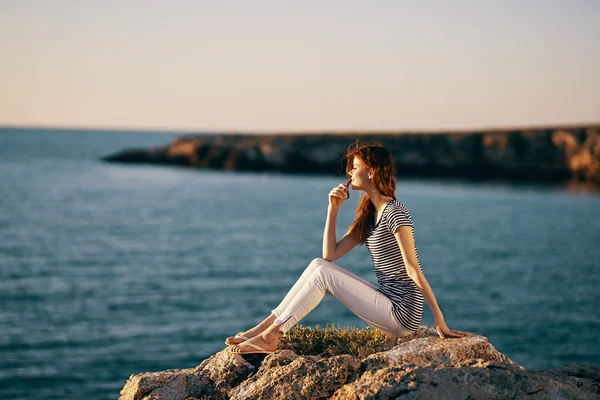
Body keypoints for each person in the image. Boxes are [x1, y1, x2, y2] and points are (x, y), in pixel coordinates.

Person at [227, 141, 466, 354]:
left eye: (355, 166)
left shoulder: (395, 213)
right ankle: (263, 328)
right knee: (317, 265)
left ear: (371, 172)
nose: (349, 172)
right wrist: (333, 209)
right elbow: (329, 254)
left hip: (402, 313)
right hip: (387, 301)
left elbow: (413, 268)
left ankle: (273, 336)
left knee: (322, 274)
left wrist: (438, 318)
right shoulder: (370, 215)